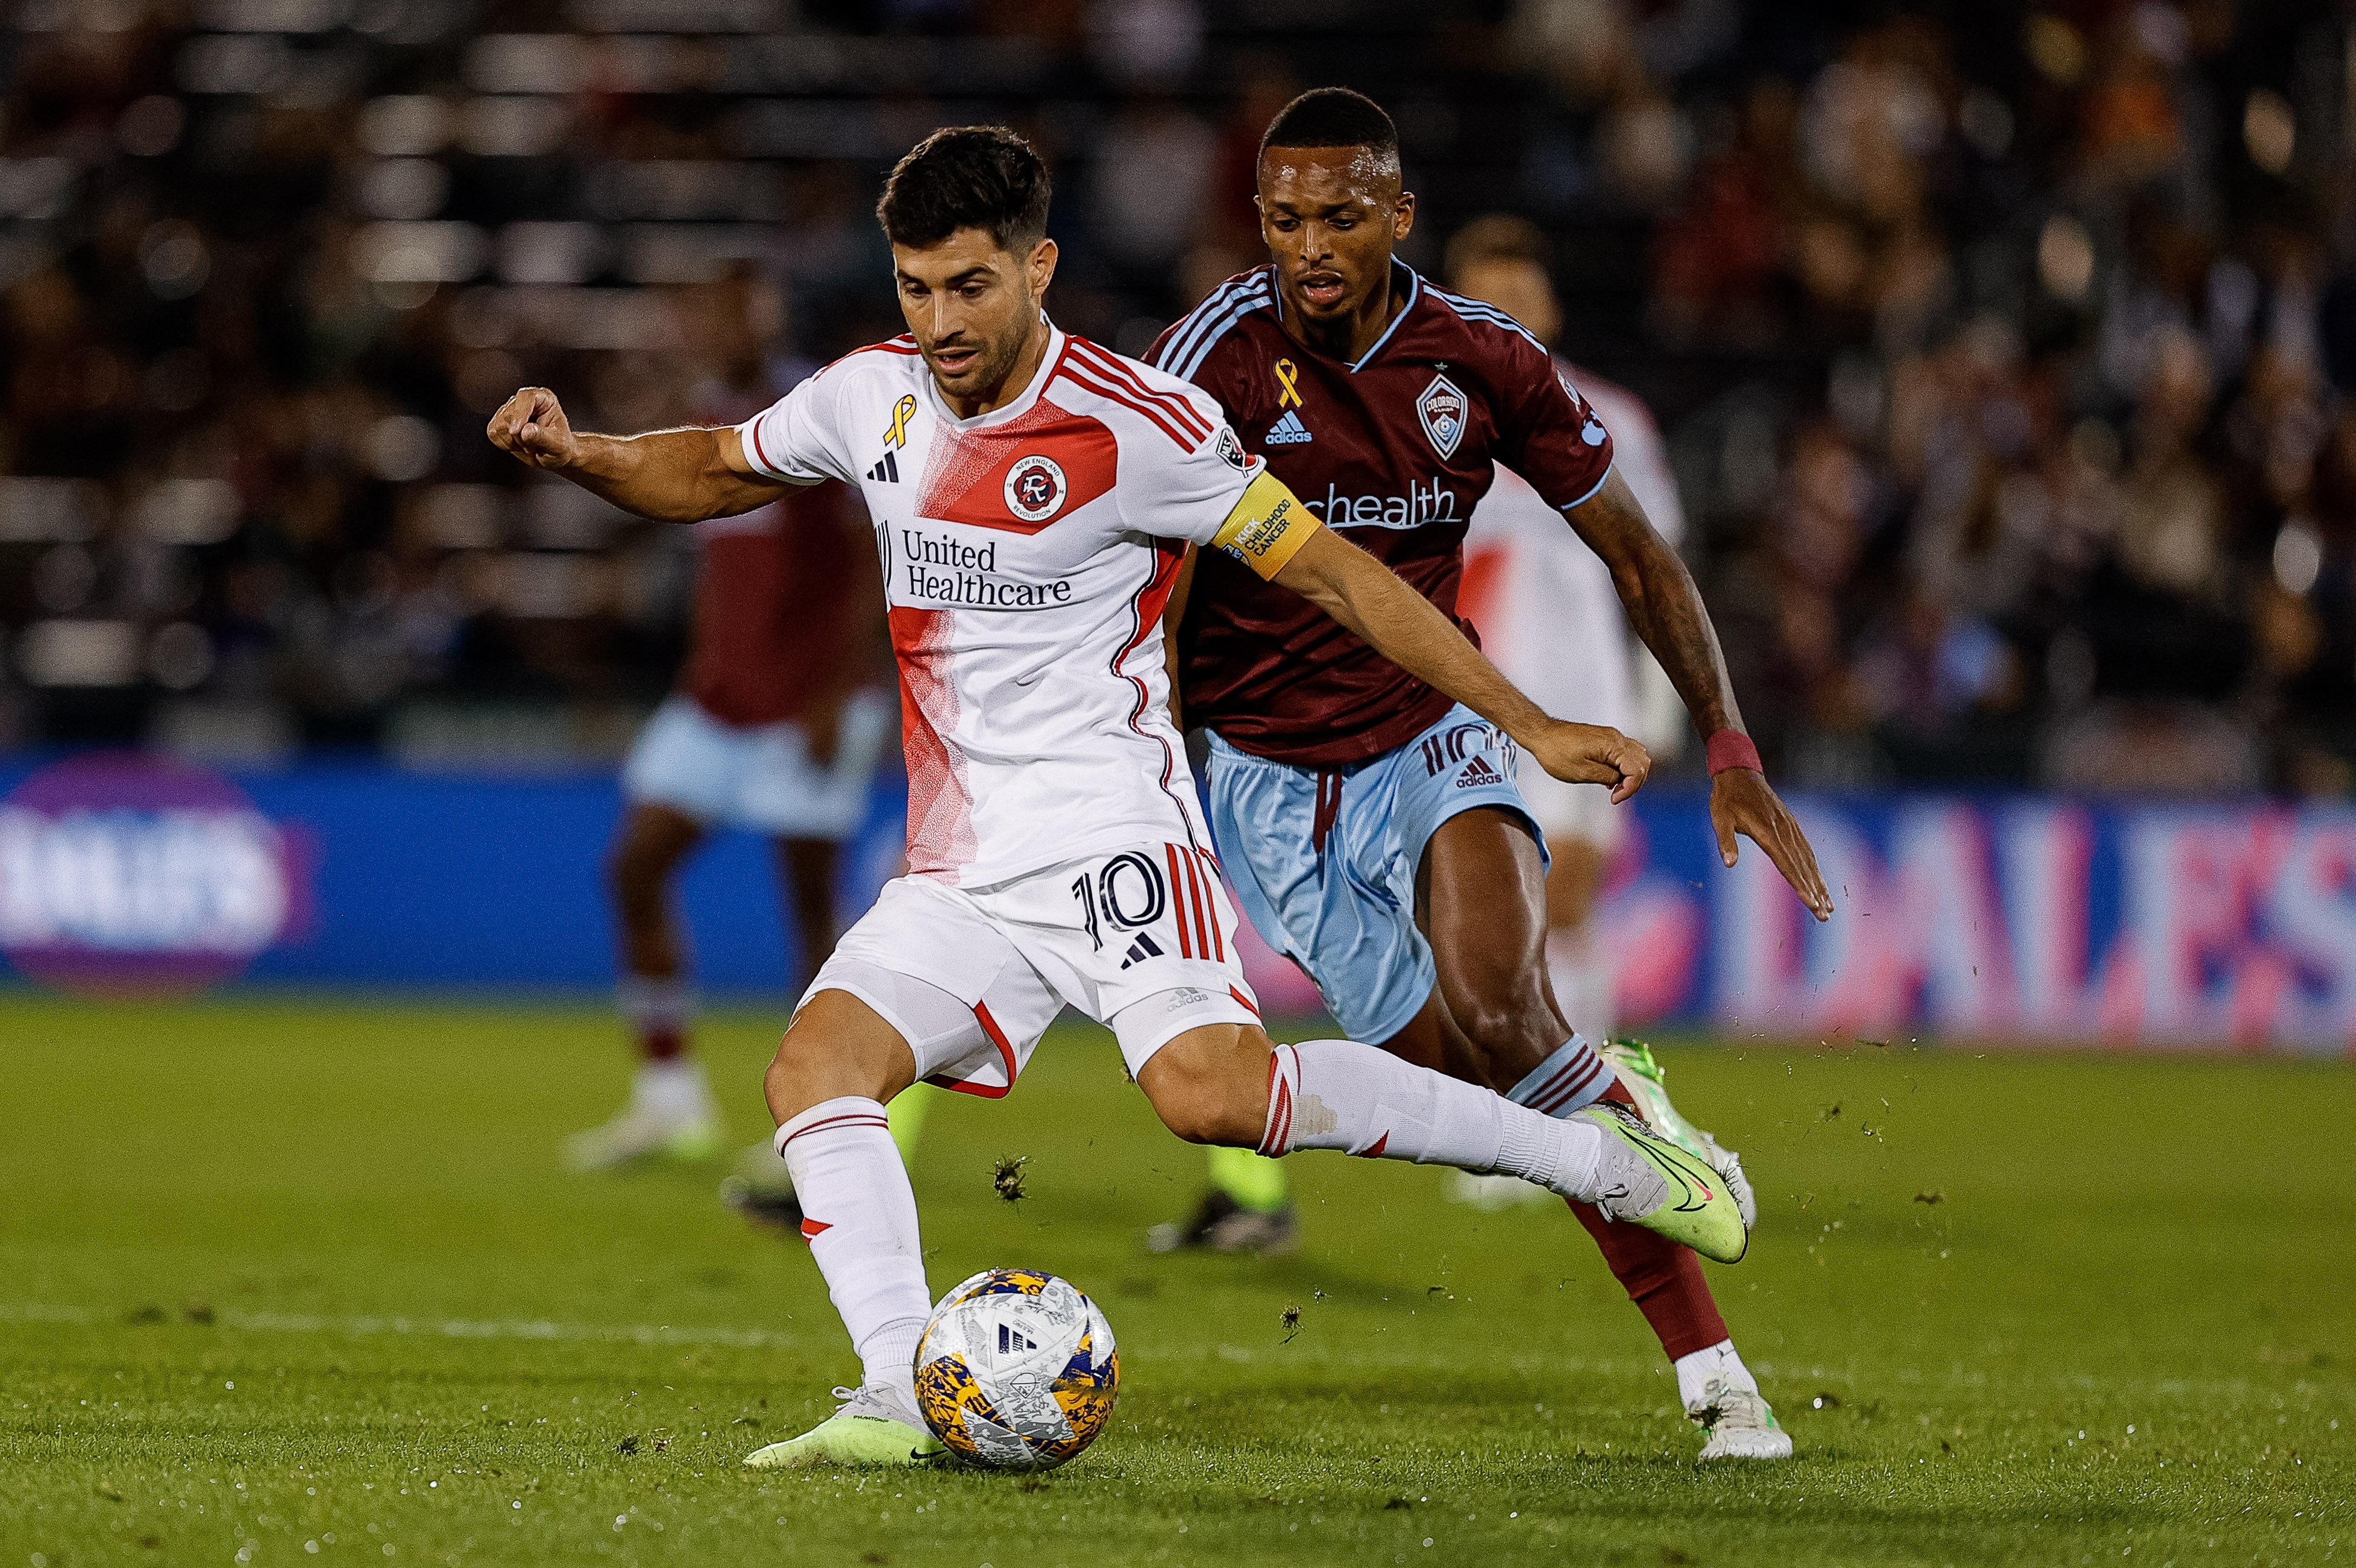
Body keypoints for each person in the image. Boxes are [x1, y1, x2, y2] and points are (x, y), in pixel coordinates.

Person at [488, 125, 1746, 1470]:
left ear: (1037, 267)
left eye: (967, 286)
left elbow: (1341, 577)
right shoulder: (871, 396)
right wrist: (585, 455)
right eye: (913, 288)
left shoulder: (1139, 425)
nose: (938, 320)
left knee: (1211, 1097)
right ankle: (893, 1390)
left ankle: (1598, 1161)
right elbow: (720, 463)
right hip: (961, 864)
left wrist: (1527, 717)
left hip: (1111, 839)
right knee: (813, 1073)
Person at [1149, 89, 1833, 1460]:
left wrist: (1731, 740)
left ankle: (1717, 1383)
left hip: (1433, 728)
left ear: (1400, 217)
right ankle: (1615, 1100)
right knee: (1473, 1099)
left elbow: (1640, 553)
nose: (1308, 246)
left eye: (1340, 215)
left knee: (1505, 1005)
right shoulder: (1204, 363)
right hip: (1268, 782)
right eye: (1283, 219)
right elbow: (1141, 577)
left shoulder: (1481, 363)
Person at [564, 271, 895, 1172]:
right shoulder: (709, 416)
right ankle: (669, 1100)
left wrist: (839, 691)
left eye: (735, 310)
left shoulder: (813, 413)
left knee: (809, 916)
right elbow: (725, 572)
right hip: (717, 698)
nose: (718, 328)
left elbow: (874, 556)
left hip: (809, 701)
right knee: (634, 867)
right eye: (704, 314)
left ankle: (824, 1126)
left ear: (768, 314)